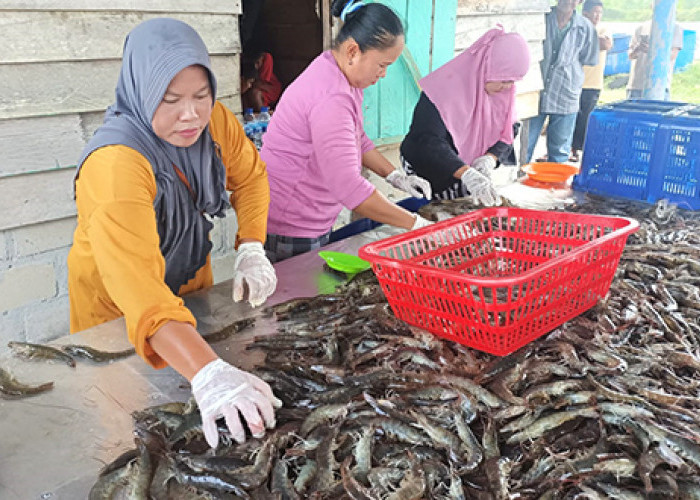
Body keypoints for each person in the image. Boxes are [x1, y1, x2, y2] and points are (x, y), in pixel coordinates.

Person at [68, 18, 280, 449]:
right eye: (170, 100)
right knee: (129, 431)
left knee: (193, 422)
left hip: (186, 290)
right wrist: (209, 371)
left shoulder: (213, 122)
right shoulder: (114, 166)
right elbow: (142, 294)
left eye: (202, 96)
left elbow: (252, 178)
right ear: (141, 93)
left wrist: (252, 246)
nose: (191, 114)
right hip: (117, 311)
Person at [260, 0, 433, 263]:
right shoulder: (332, 96)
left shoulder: (338, 73)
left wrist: (395, 175)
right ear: (353, 50)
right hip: (291, 225)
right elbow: (350, 190)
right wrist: (417, 224)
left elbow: (357, 138)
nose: (384, 74)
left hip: (306, 215)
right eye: (382, 65)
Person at [400, 26, 530, 203]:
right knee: (436, 210)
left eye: (513, 81)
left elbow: (508, 130)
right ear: (486, 67)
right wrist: (466, 173)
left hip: (468, 168)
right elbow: (427, 142)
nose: (508, 87)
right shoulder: (443, 89)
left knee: (466, 209)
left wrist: (489, 159)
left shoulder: (503, 94)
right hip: (432, 167)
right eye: (504, 80)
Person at [525, 0, 599, 164]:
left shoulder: (586, 27)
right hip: (535, 89)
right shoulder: (541, 18)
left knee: (559, 150)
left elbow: (589, 58)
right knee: (524, 146)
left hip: (566, 91)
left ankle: (554, 185)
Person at [570, 0, 612, 162]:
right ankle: (568, 148)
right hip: (574, 82)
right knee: (570, 117)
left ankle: (577, 149)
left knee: (585, 119)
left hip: (593, 83)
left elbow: (606, 43)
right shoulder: (577, 26)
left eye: (599, 13)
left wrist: (587, 33)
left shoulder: (602, 29)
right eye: (594, 12)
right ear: (585, 13)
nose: (597, 16)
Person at [627, 16, 683, 100]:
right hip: (636, 84)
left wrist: (653, 50)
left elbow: (672, 55)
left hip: (659, 85)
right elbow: (631, 56)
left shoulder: (675, 27)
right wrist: (638, 49)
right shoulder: (641, 27)